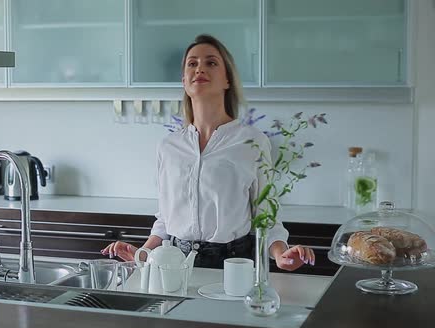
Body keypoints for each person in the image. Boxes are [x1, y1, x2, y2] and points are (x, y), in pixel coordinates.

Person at [102, 34, 315, 270]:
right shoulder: (169, 146)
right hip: (171, 262)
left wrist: (281, 254)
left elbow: (266, 215)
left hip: (233, 264)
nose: (199, 68)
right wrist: (142, 253)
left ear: (227, 80)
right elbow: (165, 220)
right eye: (192, 63)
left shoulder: (251, 141)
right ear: (184, 80)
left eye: (211, 62)